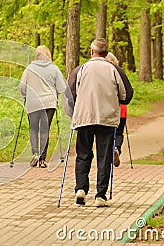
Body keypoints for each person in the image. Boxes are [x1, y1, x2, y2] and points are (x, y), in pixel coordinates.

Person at [68, 38, 133, 207]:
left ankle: (80, 189)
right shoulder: (114, 69)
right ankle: (100, 196)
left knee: (83, 154)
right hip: (106, 118)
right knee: (104, 156)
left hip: (84, 117)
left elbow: (70, 95)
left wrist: (74, 111)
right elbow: (127, 95)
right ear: (106, 53)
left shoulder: (80, 69)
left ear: (91, 51)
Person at [19, 45, 66, 168]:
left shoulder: (29, 69)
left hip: (33, 102)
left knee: (33, 129)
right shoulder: (54, 69)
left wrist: (26, 95)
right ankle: (42, 160)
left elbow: (22, 87)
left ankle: (35, 153)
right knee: (45, 130)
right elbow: (62, 88)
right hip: (49, 103)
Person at [105, 52, 130, 165]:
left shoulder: (103, 73)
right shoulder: (120, 72)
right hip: (121, 108)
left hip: (108, 109)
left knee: (108, 133)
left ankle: (109, 150)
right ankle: (117, 149)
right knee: (119, 133)